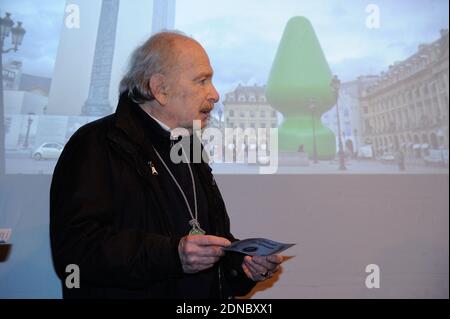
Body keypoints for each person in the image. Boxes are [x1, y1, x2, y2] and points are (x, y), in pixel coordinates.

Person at [50, 31, 283, 299]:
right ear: (160, 89)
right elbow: (75, 253)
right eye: (202, 81)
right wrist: (171, 255)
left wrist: (241, 267)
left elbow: (208, 245)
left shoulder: (190, 145)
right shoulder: (96, 144)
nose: (215, 94)